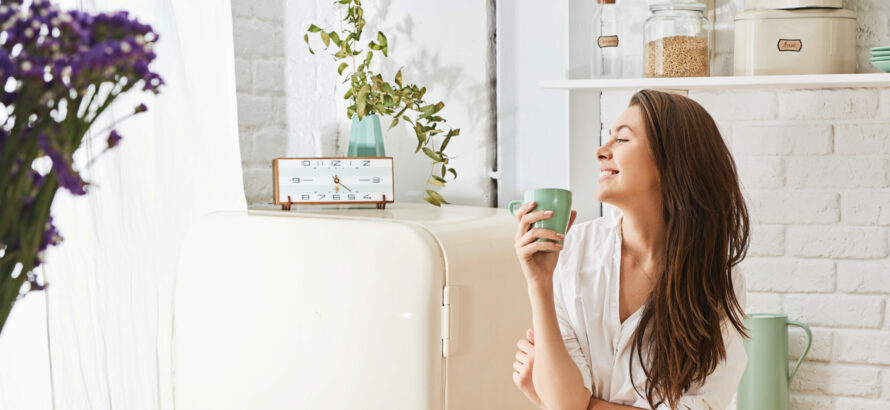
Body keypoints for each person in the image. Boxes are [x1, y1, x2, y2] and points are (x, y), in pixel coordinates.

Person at [510, 89, 750, 410]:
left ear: (672, 161)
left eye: (621, 140)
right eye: (608, 137)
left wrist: (574, 402)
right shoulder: (574, 251)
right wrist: (539, 281)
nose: (600, 151)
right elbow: (565, 403)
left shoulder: (717, 281)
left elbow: (564, 404)